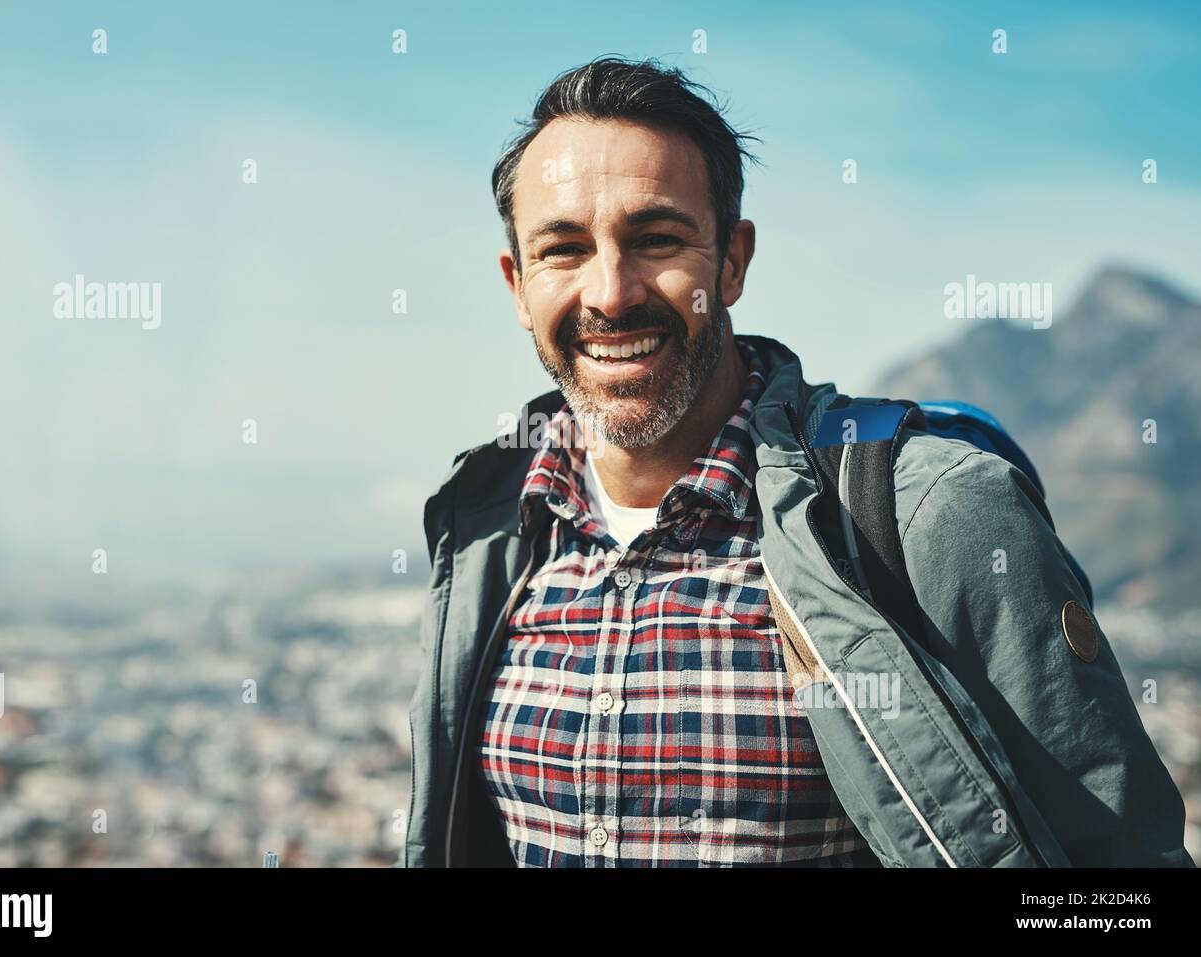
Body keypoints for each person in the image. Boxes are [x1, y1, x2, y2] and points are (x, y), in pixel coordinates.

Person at [401, 56, 1192, 868]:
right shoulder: (484, 535)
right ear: (517, 284)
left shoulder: (924, 515)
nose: (610, 292)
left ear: (733, 261)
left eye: (657, 239)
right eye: (563, 249)